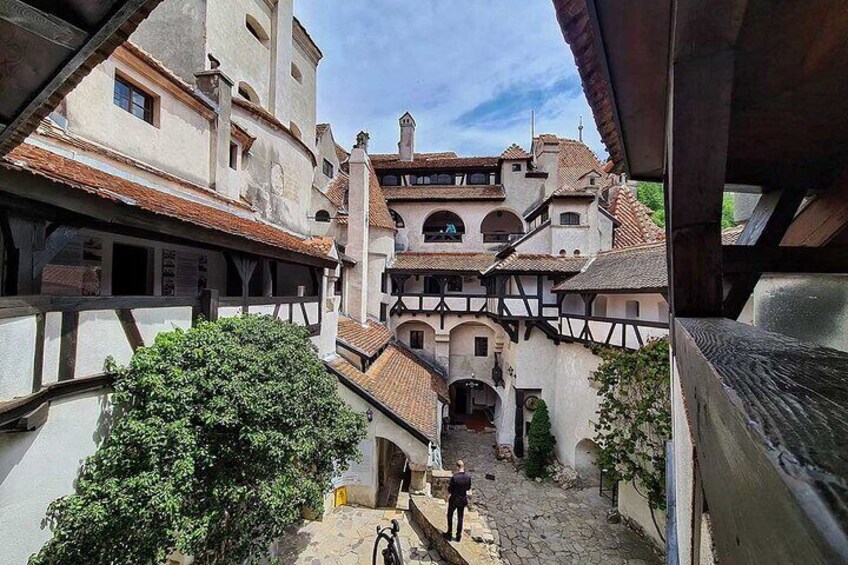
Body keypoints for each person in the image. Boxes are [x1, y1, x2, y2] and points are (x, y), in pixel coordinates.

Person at [443, 460, 472, 542]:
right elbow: (468, 488)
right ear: (463, 466)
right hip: (462, 499)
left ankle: (449, 533)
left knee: (450, 515)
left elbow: (450, 490)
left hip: (454, 499)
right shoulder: (468, 477)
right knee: (460, 518)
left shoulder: (455, 477)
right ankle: (458, 536)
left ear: (457, 467)